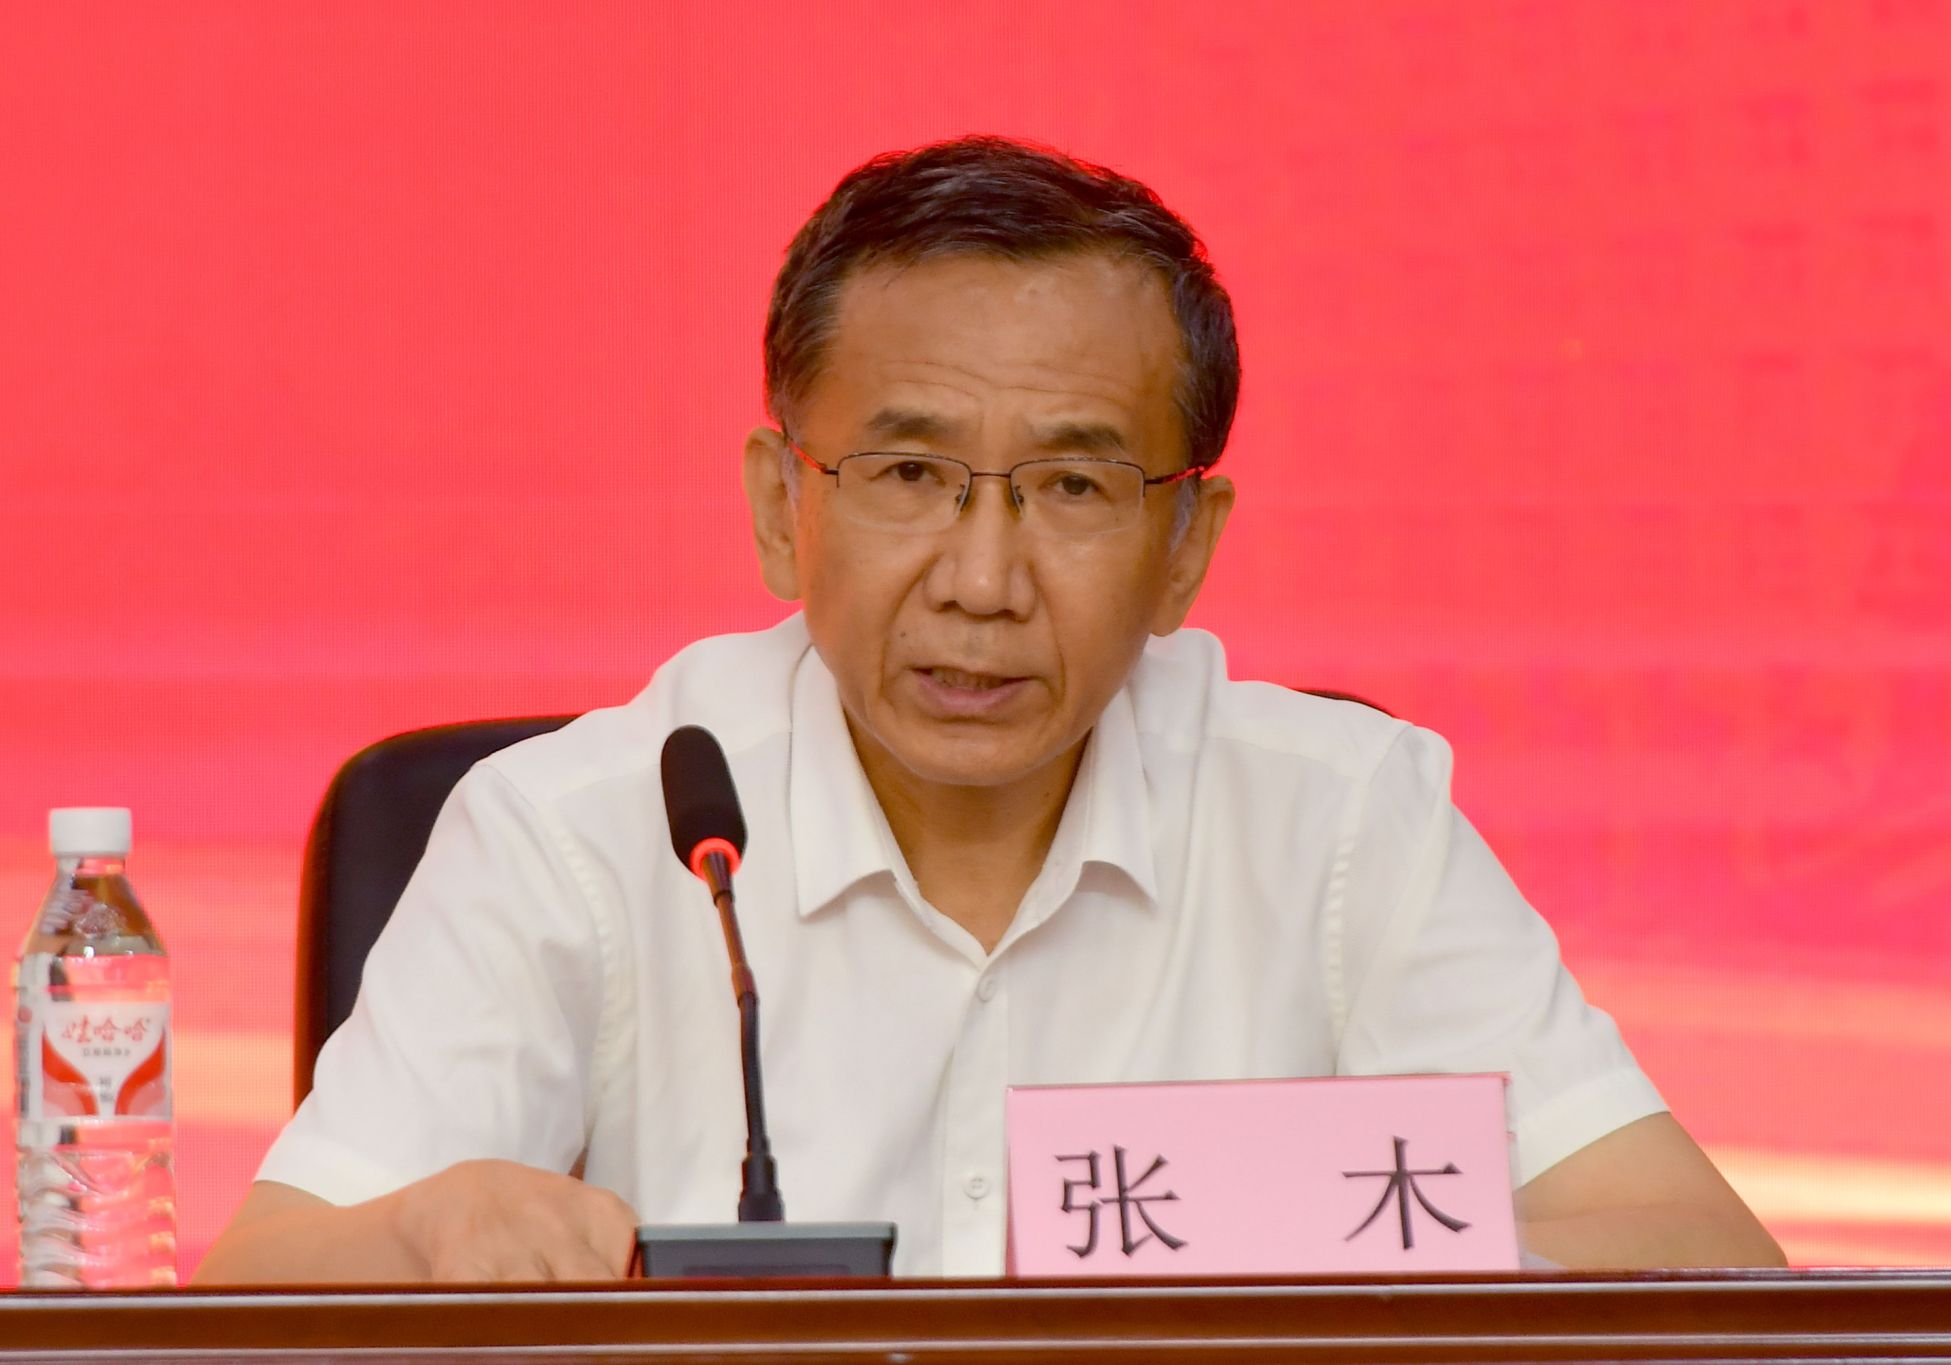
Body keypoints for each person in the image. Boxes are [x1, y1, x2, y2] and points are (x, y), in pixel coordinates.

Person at [195, 137, 1782, 1283]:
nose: (982, 579)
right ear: (781, 507)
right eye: (908, 473)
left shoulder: (1340, 820)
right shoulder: (580, 836)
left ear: (1185, 546)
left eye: (1075, 487)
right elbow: (258, 1280)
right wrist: (422, 1228)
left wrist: (1294, 1234)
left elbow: (1702, 1260)